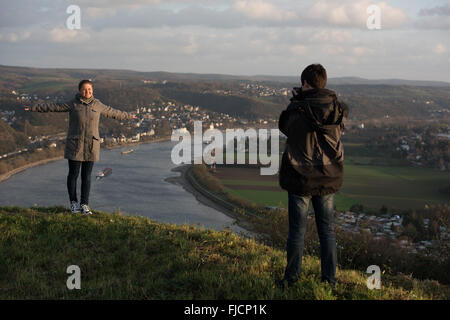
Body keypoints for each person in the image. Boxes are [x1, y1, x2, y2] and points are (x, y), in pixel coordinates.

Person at [277, 64, 349, 288]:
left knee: (297, 231)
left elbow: (286, 128)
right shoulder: (337, 109)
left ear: (306, 83)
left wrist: (295, 102)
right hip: (328, 176)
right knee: (327, 230)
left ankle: (291, 280)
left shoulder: (298, 110)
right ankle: (329, 280)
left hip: (301, 177)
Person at [25, 79, 137, 215]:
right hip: (75, 144)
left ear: (92, 90)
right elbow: (54, 106)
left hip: (91, 145)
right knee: (73, 175)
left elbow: (113, 113)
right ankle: (73, 203)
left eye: (89, 89)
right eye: (84, 89)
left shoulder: (98, 104)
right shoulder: (72, 104)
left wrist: (129, 116)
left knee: (87, 176)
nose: (87, 92)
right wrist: (34, 108)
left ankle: (84, 204)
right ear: (79, 91)